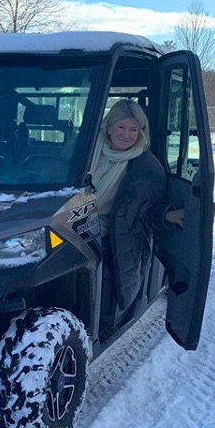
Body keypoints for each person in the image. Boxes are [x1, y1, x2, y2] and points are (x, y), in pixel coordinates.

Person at [90, 99, 184, 313]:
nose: (126, 134)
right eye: (121, 127)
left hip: (112, 228)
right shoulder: (88, 150)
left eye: (134, 129)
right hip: (72, 218)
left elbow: (142, 211)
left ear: (141, 131)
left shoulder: (146, 166)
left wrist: (167, 216)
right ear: (109, 126)